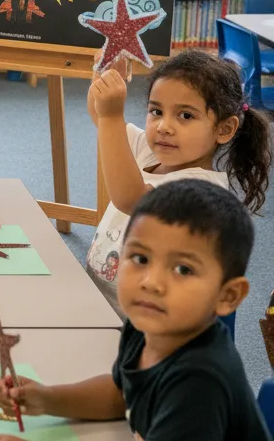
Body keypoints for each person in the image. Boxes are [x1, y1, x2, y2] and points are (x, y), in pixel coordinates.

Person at [0, 180, 274, 441]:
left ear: (228, 296)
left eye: (183, 269)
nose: (151, 281)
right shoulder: (147, 323)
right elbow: (121, 392)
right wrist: (49, 398)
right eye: (140, 258)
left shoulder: (201, 378)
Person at [86, 50, 270, 311]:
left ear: (224, 129)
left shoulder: (201, 191)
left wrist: (112, 115)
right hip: (102, 300)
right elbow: (99, 117)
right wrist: (104, 74)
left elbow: (130, 199)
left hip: (140, 322)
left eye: (185, 115)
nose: (164, 126)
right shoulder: (150, 151)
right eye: (156, 111)